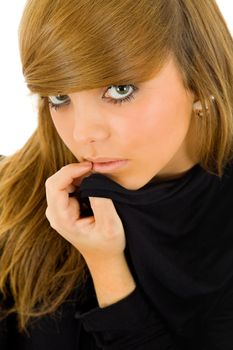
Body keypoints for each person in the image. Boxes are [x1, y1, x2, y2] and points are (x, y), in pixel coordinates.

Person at [0, 0, 233, 349]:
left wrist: (107, 267)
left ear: (199, 75)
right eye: (59, 97)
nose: (82, 134)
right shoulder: (13, 202)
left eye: (120, 90)